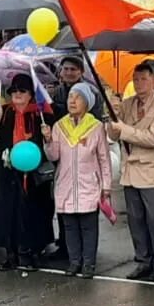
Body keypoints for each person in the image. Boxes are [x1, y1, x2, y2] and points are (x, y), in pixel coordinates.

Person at [108, 60, 154, 280]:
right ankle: (143, 260)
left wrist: (124, 129)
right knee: (136, 219)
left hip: (151, 170)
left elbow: (153, 138)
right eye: (135, 79)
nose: (138, 83)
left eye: (143, 79)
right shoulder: (127, 104)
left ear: (153, 79)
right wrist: (112, 115)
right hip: (130, 171)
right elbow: (114, 135)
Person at [43, 82, 113, 277]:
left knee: (88, 226)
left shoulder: (96, 127)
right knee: (70, 226)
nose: (72, 101)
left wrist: (106, 186)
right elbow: (54, 156)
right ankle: (74, 261)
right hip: (65, 184)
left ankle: (88, 263)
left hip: (88, 184)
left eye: (78, 97)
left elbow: (104, 158)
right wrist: (48, 140)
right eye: (70, 97)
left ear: (87, 102)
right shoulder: (59, 126)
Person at [0, 74, 51, 272]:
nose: (17, 94)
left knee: (32, 212)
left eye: (22, 91)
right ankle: (11, 253)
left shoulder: (40, 113)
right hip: (8, 171)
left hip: (33, 172)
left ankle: (30, 252)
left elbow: (50, 140)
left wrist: (47, 135)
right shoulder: (5, 112)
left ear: (31, 93)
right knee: (7, 212)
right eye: (13, 91)